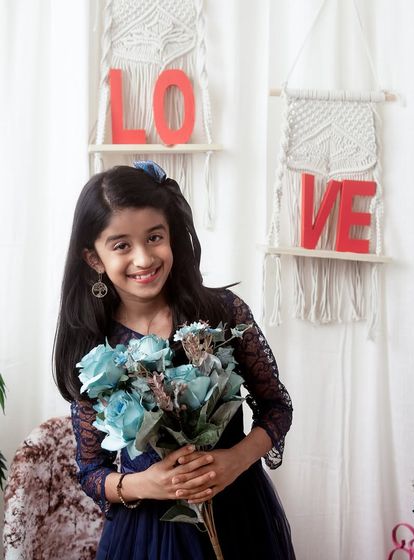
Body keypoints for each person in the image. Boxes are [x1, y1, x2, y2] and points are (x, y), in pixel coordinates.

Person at [54, 161, 295, 560]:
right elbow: (91, 471)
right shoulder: (92, 348)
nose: (144, 259)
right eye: (121, 245)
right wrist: (146, 484)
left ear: (172, 236)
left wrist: (236, 460)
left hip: (238, 516)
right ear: (94, 258)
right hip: (147, 533)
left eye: (154, 237)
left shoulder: (222, 312)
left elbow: (276, 406)